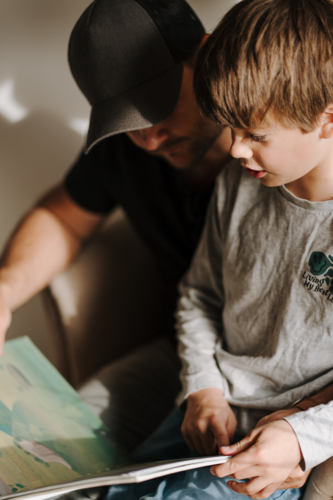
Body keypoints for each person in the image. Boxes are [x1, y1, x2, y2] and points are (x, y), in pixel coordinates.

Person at [0, 0, 331, 497]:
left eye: (154, 108)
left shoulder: (275, 129)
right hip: (207, 360)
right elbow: (65, 218)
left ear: (203, 56)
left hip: (282, 405)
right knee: (49, 457)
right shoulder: (223, 180)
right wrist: (4, 291)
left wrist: (305, 435)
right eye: (126, 120)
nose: (148, 138)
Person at [101, 0, 333, 499]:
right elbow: (199, 294)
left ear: (327, 119)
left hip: (275, 448)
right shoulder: (239, 184)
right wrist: (202, 388)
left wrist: (301, 436)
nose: (234, 149)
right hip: (210, 414)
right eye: (232, 127)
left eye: (255, 133)